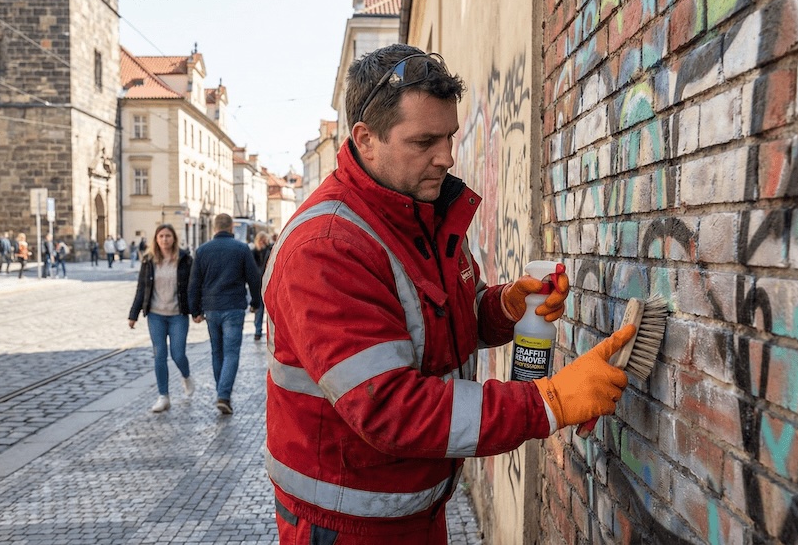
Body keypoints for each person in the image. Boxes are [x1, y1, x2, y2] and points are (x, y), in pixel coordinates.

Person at [262, 44, 635, 544]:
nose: (448, 156)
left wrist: (505, 307)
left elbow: (441, 321)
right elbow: (391, 407)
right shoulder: (326, 247)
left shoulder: (418, 209)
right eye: (424, 141)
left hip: (412, 506)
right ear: (365, 140)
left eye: (451, 136)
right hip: (346, 524)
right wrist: (547, 403)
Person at [189, 213, 261, 415]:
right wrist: (256, 303)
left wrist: (195, 309)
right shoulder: (241, 248)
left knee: (217, 351)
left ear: (214, 228)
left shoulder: (202, 250)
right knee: (231, 352)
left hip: (211, 308)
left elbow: (194, 283)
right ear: (231, 228)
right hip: (234, 307)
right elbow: (254, 279)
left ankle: (222, 392)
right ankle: (224, 395)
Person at [129, 224, 195, 413]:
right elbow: (141, 288)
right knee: (159, 355)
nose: (164, 239)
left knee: (178, 354)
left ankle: (186, 376)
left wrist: (196, 310)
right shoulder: (149, 260)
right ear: (156, 239)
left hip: (178, 314)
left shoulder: (184, 259)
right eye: (161, 236)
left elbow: (192, 286)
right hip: (156, 314)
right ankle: (163, 396)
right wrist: (133, 315)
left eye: (168, 236)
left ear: (173, 238)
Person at [251, 231, 272, 341]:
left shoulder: (270, 250)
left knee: (269, 309)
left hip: (267, 282)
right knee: (259, 309)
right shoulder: (252, 252)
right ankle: (258, 331)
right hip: (258, 284)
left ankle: (269, 332)